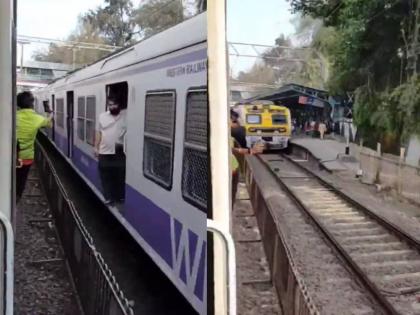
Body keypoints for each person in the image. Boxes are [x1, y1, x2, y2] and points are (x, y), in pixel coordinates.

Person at [16, 91, 52, 202]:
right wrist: (49, 113)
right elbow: (49, 124)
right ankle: (17, 198)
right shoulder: (37, 118)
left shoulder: (13, 116)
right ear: (32, 104)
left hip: (10, 155)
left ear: (18, 104)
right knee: (21, 180)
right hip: (26, 157)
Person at [95, 97, 127, 206]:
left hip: (119, 151)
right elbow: (99, 132)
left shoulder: (126, 116)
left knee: (120, 175)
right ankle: (109, 198)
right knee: (105, 175)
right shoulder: (102, 117)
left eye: (114, 104)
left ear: (119, 105)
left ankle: (120, 197)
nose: (112, 107)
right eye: (110, 105)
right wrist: (96, 147)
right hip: (104, 151)